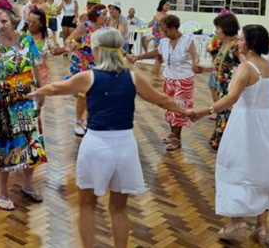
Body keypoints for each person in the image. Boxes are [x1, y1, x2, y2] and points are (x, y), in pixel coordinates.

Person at [28, 28, 189, 248]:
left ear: (97, 50)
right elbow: (161, 100)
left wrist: (36, 92)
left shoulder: (89, 76)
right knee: (119, 208)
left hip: (96, 145)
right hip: (125, 147)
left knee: (87, 205)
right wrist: (187, 112)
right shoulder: (133, 78)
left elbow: (57, 88)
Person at [186, 25, 269, 246]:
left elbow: (231, 98)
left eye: (242, 39)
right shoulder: (268, 65)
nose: (238, 42)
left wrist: (204, 111)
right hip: (267, 123)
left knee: (237, 168)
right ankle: (262, 227)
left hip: (245, 123)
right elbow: (251, 74)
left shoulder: (245, 68)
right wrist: (240, 57)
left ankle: (237, 223)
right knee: (263, 170)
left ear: (250, 44)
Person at [0, 7, 47, 211]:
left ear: (14, 21)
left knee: (31, 144)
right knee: (5, 148)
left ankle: (28, 184)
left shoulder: (26, 40)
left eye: (4, 21)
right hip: (4, 104)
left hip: (27, 101)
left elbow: (36, 66)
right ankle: (2, 192)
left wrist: (42, 91)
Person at [128, 15, 198, 151]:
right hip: (170, 78)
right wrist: (138, 57)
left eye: (166, 30)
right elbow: (155, 52)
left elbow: (195, 55)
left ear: (174, 28)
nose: (164, 33)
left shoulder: (187, 41)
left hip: (184, 79)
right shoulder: (164, 42)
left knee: (179, 109)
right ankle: (173, 134)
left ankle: (176, 137)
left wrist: (195, 63)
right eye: (163, 30)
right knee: (170, 106)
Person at [193, 12, 240, 150]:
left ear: (226, 28)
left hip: (232, 90)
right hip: (222, 88)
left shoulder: (237, 46)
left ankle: (229, 145)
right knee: (222, 113)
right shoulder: (224, 43)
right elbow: (223, 66)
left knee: (230, 116)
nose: (216, 31)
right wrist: (205, 69)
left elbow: (244, 68)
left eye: (218, 28)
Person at [64, 4, 108, 136]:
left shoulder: (105, 30)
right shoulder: (85, 26)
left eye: (106, 15)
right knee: (83, 95)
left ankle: (90, 120)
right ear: (96, 16)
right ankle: (78, 121)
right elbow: (69, 39)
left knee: (94, 94)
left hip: (96, 64)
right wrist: (70, 45)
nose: (105, 18)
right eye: (103, 15)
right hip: (81, 64)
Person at [142, 0, 171, 79]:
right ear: (162, 5)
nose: (168, 7)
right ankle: (156, 75)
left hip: (164, 39)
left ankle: (157, 74)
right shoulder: (158, 16)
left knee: (161, 58)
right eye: (166, 5)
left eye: (169, 5)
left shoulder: (165, 16)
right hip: (159, 40)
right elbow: (150, 25)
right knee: (159, 57)